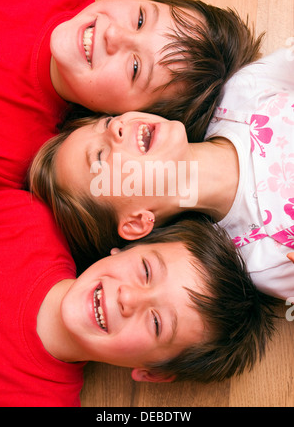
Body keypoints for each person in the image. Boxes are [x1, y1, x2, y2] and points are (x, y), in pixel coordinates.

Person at [29, 47, 294, 301]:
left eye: (107, 122)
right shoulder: (262, 260)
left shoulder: (244, 94)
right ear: (136, 222)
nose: (116, 128)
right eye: (99, 157)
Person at [0, 0, 263, 190]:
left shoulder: (14, 157)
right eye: (141, 19)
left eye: (135, 68)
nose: (114, 34)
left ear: (125, 117)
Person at [0, 189, 277, 406]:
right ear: (124, 248)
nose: (127, 298)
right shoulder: (25, 218)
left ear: (153, 372)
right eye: (145, 270)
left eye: (156, 323)